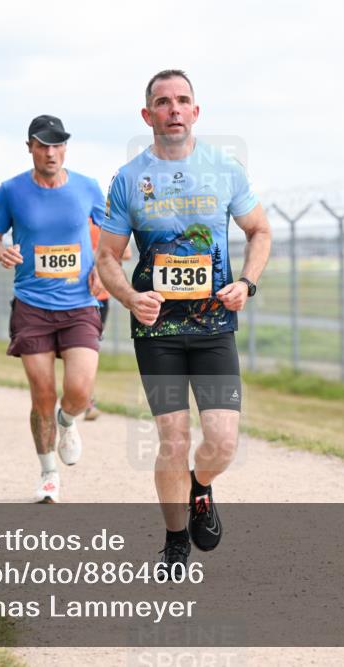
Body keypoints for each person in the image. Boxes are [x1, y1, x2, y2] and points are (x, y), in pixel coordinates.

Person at [97, 70, 272, 565]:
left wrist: (247, 282)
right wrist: (131, 297)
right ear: (147, 114)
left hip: (214, 326)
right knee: (173, 438)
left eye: (182, 100)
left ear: (196, 111)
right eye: (163, 101)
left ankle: (199, 487)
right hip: (158, 332)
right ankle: (175, 541)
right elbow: (107, 256)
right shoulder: (129, 179)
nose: (173, 108)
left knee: (221, 440)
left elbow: (259, 231)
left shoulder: (224, 169)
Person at [0, 115, 105, 504]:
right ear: (30, 147)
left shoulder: (87, 188)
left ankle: (68, 422)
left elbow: (113, 239)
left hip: (80, 303)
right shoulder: (11, 190)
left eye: (57, 145)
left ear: (65, 148)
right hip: (32, 305)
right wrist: (1, 250)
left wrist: (103, 269)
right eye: (42, 145)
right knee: (42, 394)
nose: (50, 152)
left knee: (80, 391)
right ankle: (48, 473)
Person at [84, 214, 131, 420]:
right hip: (66, 296)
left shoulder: (99, 222)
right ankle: (77, 398)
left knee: (88, 348)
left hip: (98, 297)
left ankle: (87, 401)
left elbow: (126, 252)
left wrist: (95, 258)